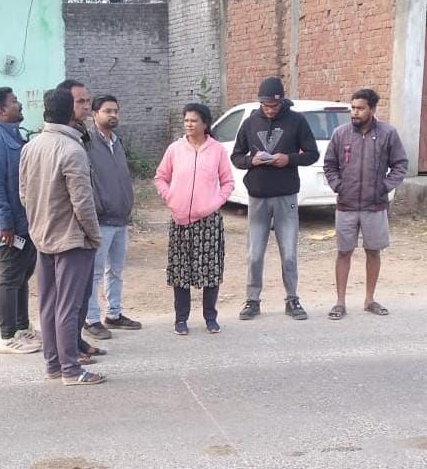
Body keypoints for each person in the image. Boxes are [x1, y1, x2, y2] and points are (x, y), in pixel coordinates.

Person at [19, 88, 105, 385]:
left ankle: (53, 365)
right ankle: (71, 369)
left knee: (48, 304)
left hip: (42, 236)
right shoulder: (72, 149)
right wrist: (94, 236)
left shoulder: (31, 147)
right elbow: (83, 202)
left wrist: (38, 224)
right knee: (69, 307)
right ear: (70, 112)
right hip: (71, 239)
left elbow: (24, 194)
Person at [231, 76, 319, 321]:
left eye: (274, 106)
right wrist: (251, 161)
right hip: (257, 197)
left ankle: (292, 299)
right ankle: (252, 300)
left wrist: (289, 159)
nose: (269, 110)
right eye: (265, 105)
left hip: (285, 194)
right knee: (254, 253)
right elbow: (236, 157)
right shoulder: (250, 123)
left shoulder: (296, 121)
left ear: (282, 102)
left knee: (289, 251)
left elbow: (312, 154)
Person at [324, 88, 408, 320]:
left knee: (373, 251)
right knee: (343, 252)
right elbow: (329, 164)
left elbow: (401, 164)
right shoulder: (340, 134)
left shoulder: (388, 134)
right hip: (346, 205)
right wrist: (338, 186)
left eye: (360, 108)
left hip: (375, 205)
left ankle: (369, 299)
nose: (355, 112)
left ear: (372, 109)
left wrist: (384, 186)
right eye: (353, 108)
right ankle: (340, 302)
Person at [154, 103, 234, 335]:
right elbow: (160, 177)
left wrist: (214, 203)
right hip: (180, 219)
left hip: (208, 221)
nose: (189, 124)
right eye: (186, 120)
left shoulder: (217, 150)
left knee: (210, 269)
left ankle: (210, 317)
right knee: (181, 272)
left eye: (194, 121)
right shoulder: (175, 149)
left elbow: (228, 182)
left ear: (205, 124)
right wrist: (170, 198)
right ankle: (181, 319)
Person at [0, 87, 41, 354]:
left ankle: (22, 327)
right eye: (14, 101)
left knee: (22, 276)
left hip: (22, 222)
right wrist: (4, 224)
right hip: (7, 226)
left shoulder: (12, 134)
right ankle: (5, 336)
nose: (19, 104)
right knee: (9, 278)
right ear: (2, 110)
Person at [83, 95, 142, 341]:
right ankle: (91, 319)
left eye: (116, 110)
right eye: (107, 111)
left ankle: (114, 314)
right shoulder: (86, 143)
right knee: (94, 273)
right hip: (100, 218)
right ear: (94, 114)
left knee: (115, 270)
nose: (113, 115)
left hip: (120, 217)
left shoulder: (117, 142)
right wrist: (97, 206)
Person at [56, 79, 106, 363]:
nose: (87, 106)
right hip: (70, 230)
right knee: (69, 298)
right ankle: (68, 354)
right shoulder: (61, 141)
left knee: (83, 292)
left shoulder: (82, 134)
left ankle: (76, 341)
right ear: (66, 104)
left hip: (85, 226)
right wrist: (93, 232)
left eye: (88, 100)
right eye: (81, 102)